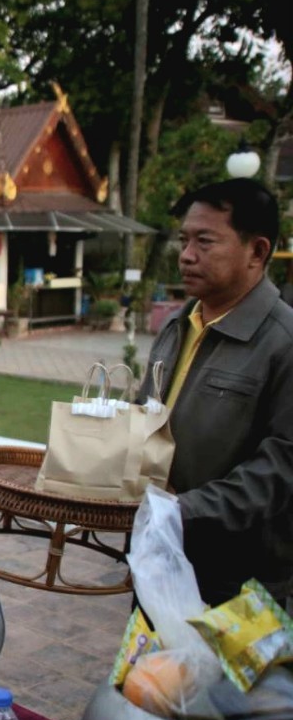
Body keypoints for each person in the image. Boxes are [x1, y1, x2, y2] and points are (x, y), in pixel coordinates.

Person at [138, 178, 293, 608]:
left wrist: (184, 510)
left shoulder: (283, 342)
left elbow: (282, 467)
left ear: (257, 251)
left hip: (240, 584)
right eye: (184, 240)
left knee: (211, 678)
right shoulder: (179, 325)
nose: (186, 255)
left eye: (205, 241)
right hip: (163, 555)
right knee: (151, 676)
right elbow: (145, 415)